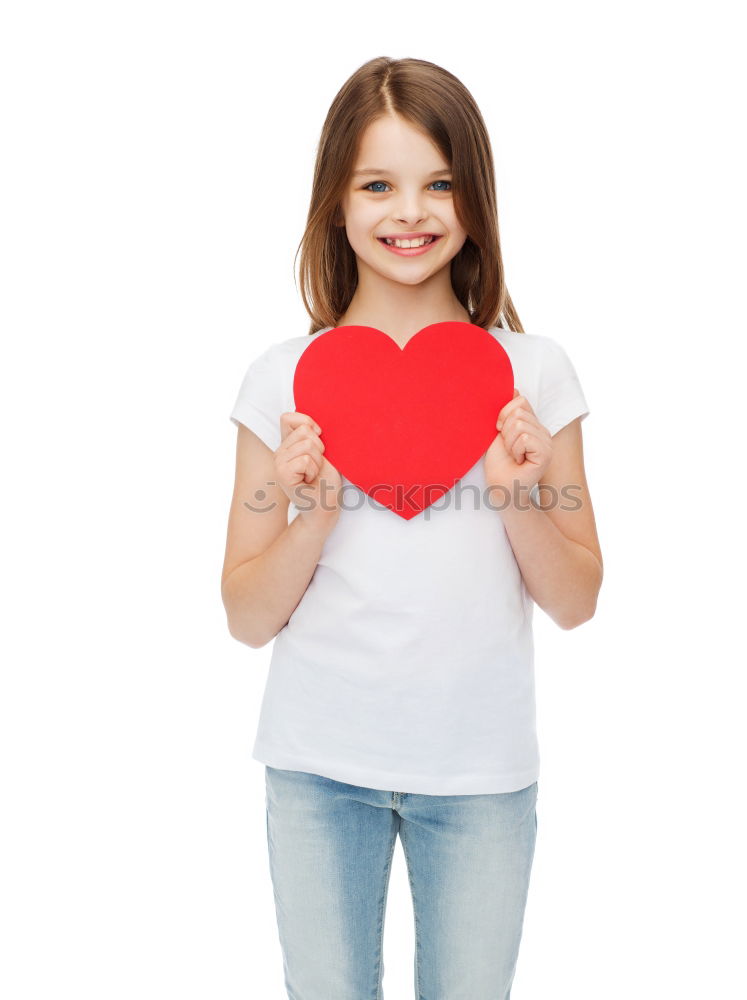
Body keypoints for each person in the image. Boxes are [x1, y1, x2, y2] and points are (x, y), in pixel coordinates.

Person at [221, 56, 603, 1000]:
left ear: (474, 199)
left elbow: (578, 598)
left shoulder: (534, 374)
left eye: (439, 183)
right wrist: (310, 512)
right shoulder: (281, 381)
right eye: (378, 184)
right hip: (318, 771)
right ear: (336, 205)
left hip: (480, 776)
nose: (411, 211)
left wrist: (516, 492)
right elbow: (244, 613)